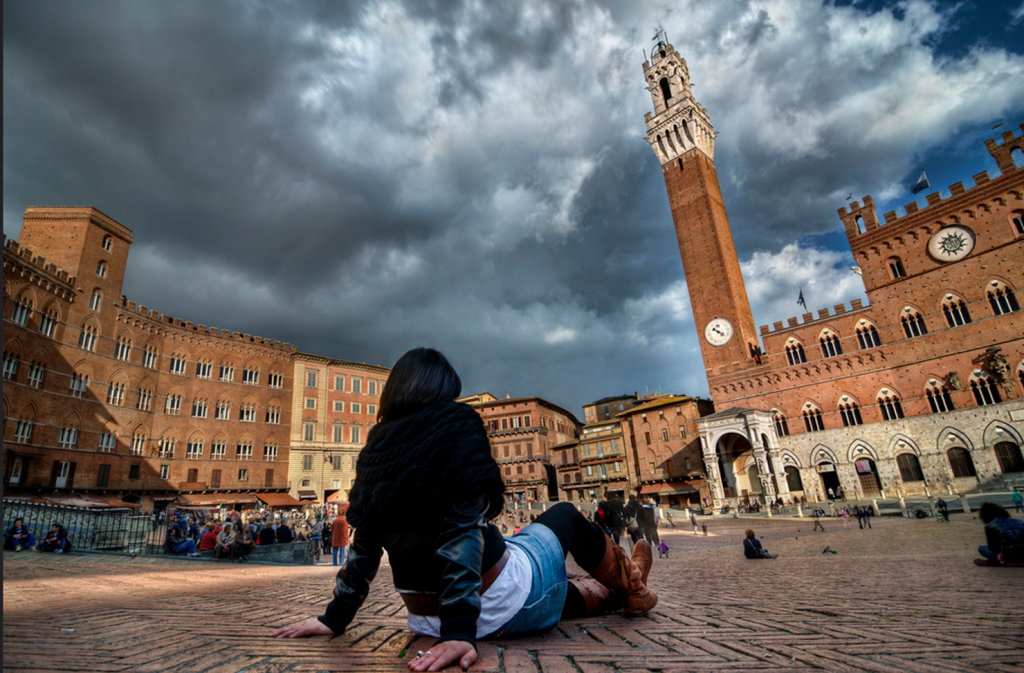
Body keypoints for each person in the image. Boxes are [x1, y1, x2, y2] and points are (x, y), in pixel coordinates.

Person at [272, 347, 657, 673]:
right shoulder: (456, 424)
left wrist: (334, 618)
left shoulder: (376, 448)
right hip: (479, 608)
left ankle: (621, 587)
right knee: (565, 516)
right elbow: (460, 535)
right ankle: (634, 586)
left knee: (536, 570)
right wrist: (459, 631)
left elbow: (364, 548)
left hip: (427, 617)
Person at [975, 502, 1024, 567]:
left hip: (1008, 557)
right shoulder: (1018, 521)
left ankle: (997, 562)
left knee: (981, 549)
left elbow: (993, 548)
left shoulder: (989, 526)